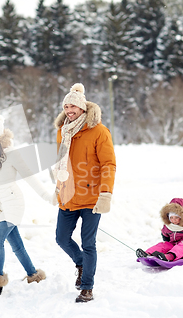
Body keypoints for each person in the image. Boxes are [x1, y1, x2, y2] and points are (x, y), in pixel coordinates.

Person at [0, 115, 55, 295]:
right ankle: (33, 274)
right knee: (17, 245)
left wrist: (46, 196)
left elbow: (29, 176)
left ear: (0, 136)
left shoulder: (11, 154)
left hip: (13, 205)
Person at [53, 83, 116, 303]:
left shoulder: (99, 131)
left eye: (73, 106)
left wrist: (105, 193)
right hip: (68, 195)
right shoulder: (63, 131)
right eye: (66, 106)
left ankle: (87, 287)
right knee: (61, 238)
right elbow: (61, 162)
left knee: (88, 243)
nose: (69, 110)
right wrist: (58, 187)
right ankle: (81, 263)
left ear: (82, 108)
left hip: (92, 197)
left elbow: (108, 164)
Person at [136, 198, 183, 263]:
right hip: (175, 247)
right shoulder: (168, 226)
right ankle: (147, 254)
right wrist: (167, 245)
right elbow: (164, 235)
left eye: (176, 217)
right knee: (163, 244)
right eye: (171, 217)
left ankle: (169, 256)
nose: (174, 220)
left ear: (182, 217)